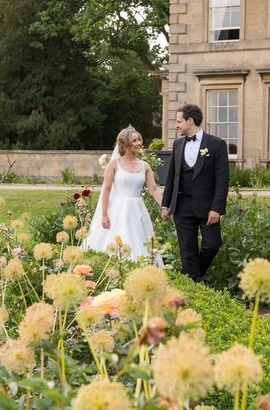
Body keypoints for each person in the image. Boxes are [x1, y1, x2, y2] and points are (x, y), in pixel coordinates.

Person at [161, 104, 229, 282]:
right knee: (187, 249)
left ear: (189, 121)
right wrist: (165, 205)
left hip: (207, 208)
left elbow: (222, 181)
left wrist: (216, 208)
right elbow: (171, 177)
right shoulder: (177, 145)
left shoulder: (216, 144)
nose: (176, 125)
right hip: (182, 206)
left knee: (212, 245)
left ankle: (194, 273)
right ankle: (194, 284)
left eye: (178, 121)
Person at [82, 126, 163, 265]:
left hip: (138, 210)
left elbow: (154, 189)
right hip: (117, 210)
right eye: (134, 140)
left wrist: (165, 206)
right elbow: (106, 189)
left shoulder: (145, 166)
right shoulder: (113, 165)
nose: (139, 143)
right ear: (125, 144)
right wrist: (104, 214)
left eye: (139, 140)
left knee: (138, 240)